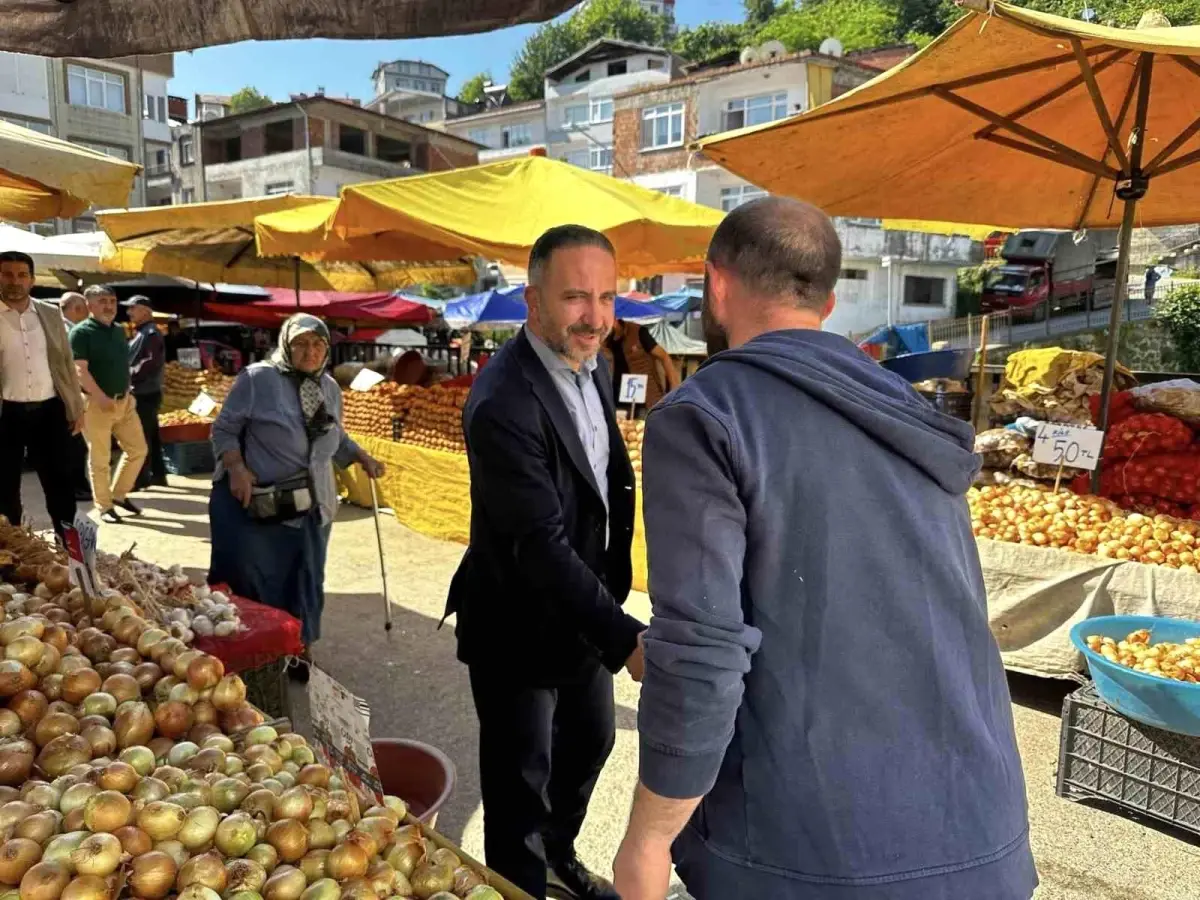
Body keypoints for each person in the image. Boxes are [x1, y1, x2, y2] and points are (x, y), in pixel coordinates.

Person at [613, 198, 1036, 900]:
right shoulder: (905, 411)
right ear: (830, 301)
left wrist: (649, 835)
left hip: (815, 858)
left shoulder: (705, 413)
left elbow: (703, 650)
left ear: (717, 285)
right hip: (983, 840)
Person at [444, 225, 645, 900]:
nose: (594, 317)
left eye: (606, 298)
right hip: (518, 624)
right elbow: (538, 544)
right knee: (519, 785)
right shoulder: (502, 402)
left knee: (590, 744)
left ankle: (558, 856)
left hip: (579, 615)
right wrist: (626, 638)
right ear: (533, 303)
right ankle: (522, 883)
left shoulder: (596, 366)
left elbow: (602, 478)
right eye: (575, 298)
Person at [208, 314, 384, 674]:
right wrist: (237, 468)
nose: (310, 351)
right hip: (264, 502)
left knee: (307, 578)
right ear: (286, 344)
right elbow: (224, 429)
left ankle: (300, 647)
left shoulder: (329, 387)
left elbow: (331, 435)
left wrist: (360, 455)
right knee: (261, 578)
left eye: (318, 344)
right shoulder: (258, 379)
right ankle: (257, 653)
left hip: (313, 503)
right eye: (301, 343)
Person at [0, 251, 85, 541]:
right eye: (7, 274)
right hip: (5, 414)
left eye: (22, 275)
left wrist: (77, 406)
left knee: (60, 483)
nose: (15, 281)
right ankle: (12, 551)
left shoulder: (49, 314)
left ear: (32, 280)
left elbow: (65, 363)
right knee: (5, 487)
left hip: (49, 411)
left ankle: (69, 550)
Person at [70, 284, 148, 524]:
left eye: (112, 301)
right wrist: (100, 396)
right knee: (100, 459)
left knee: (138, 450)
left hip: (124, 402)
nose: (109, 306)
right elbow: (79, 370)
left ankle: (119, 495)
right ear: (89, 305)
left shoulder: (119, 331)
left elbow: (121, 364)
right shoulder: (81, 332)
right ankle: (103, 506)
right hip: (95, 404)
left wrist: (127, 390)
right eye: (103, 301)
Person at [125, 295, 169, 489]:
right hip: (146, 391)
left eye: (133, 308)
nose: (129, 312)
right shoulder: (143, 332)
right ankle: (158, 475)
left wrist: (128, 375)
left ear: (145, 311)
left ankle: (140, 478)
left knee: (140, 437)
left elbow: (149, 363)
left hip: (145, 392)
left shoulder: (150, 333)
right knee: (150, 435)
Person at [58, 292, 92, 501]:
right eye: (85, 308)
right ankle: (76, 487)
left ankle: (77, 485)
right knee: (74, 445)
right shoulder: (68, 330)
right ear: (77, 309)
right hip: (66, 394)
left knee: (74, 444)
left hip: (68, 393)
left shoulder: (63, 327)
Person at [604, 318, 679, 411]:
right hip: (618, 398)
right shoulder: (605, 341)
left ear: (614, 318)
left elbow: (664, 357)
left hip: (646, 397)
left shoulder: (637, 332)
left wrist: (674, 387)